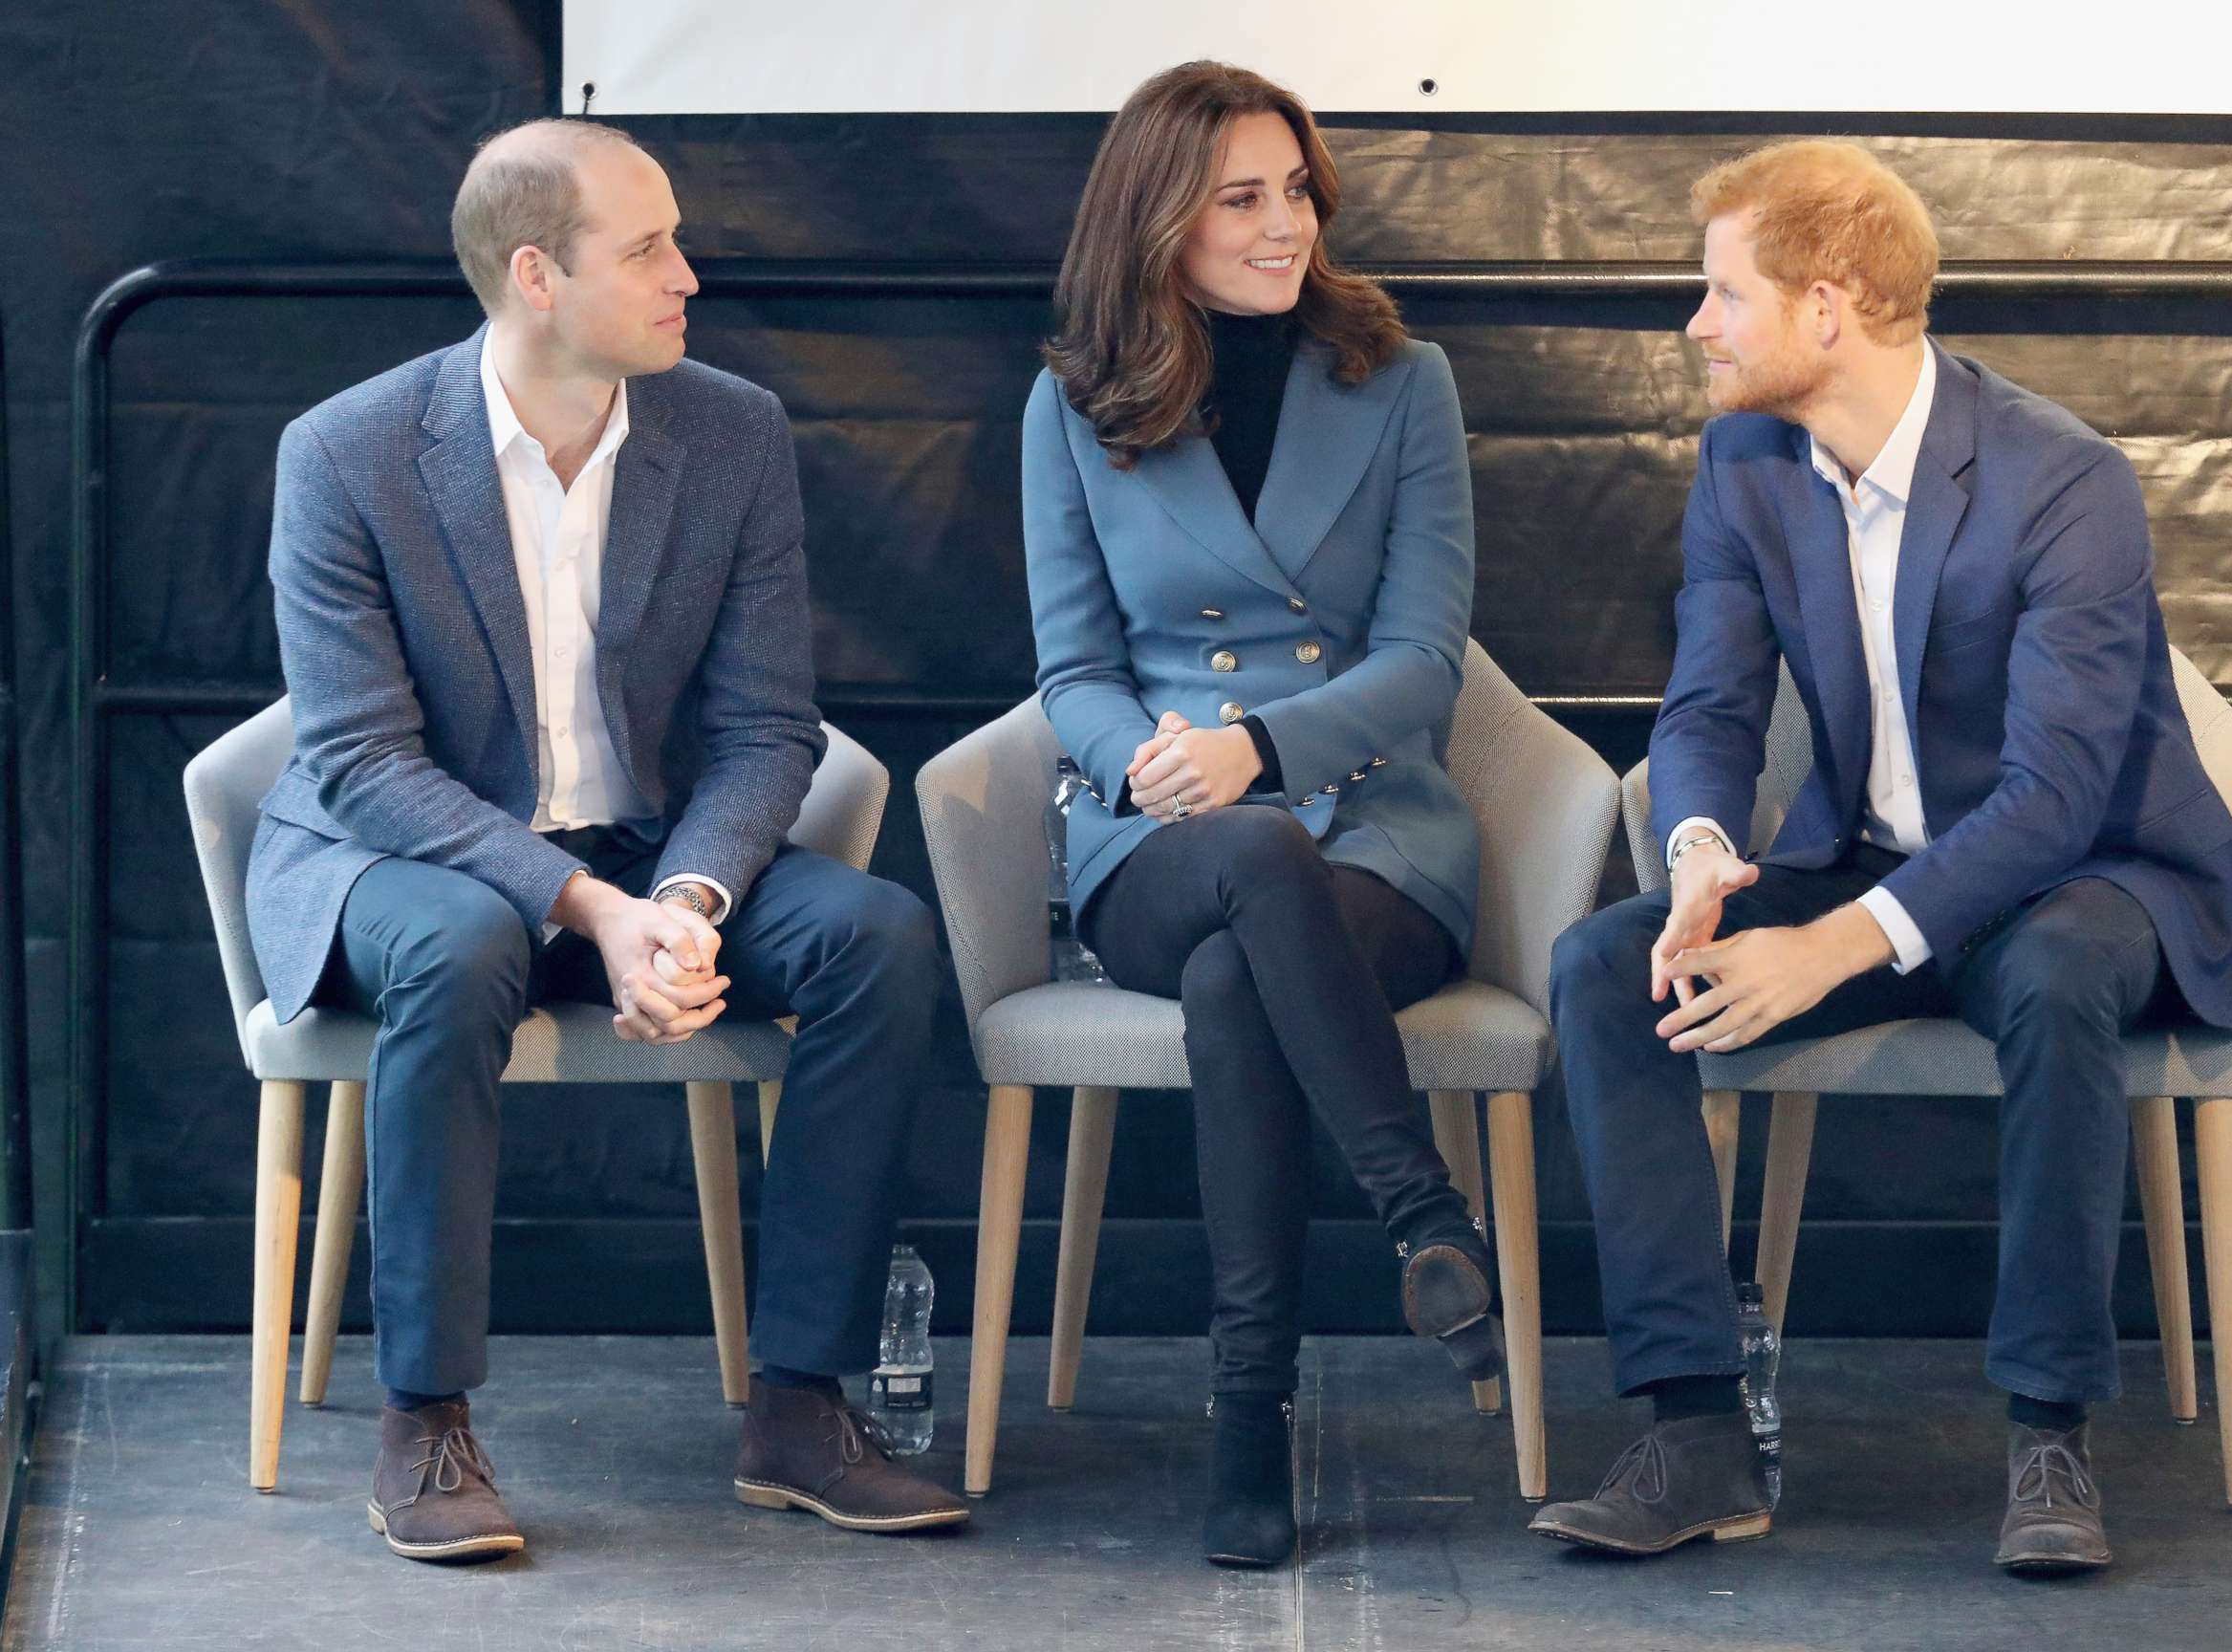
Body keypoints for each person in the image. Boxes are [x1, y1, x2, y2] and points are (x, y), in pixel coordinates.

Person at [1532, 140, 2232, 1575]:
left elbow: (2057, 800)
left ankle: (2049, 1434)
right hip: (1875, 857)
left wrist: (1832, 944)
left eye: (1723, 294)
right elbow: (1708, 705)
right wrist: (1696, 853)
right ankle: (1693, 1433)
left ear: (1827, 309)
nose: (1698, 325)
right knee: (1604, 962)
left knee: (2059, 971)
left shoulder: (2063, 480)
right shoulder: (1748, 458)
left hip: (2095, 876)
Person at [249, 118, 968, 1562]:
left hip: (640, 848)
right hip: (398, 865)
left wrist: (685, 898)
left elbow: (770, 727)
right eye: (646, 250)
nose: (687, 275)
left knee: (874, 934)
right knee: (461, 941)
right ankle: (427, 1420)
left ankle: (799, 1406)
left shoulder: (730, 430)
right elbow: (363, 763)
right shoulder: (349, 451)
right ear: (535, 275)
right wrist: (592, 910)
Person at [1022, 60, 1499, 1570]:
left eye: (1296, 190)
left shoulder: (1398, 376)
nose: (1284, 222)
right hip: (1155, 829)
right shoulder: (1074, 400)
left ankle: (1249, 1413)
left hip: (1375, 836)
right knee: (1239, 868)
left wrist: (1263, 751)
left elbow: (1425, 663)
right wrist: (1163, 765)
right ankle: (1422, 1211)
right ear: (1160, 215)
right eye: (1242, 197)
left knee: (1246, 951)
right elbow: (1072, 670)